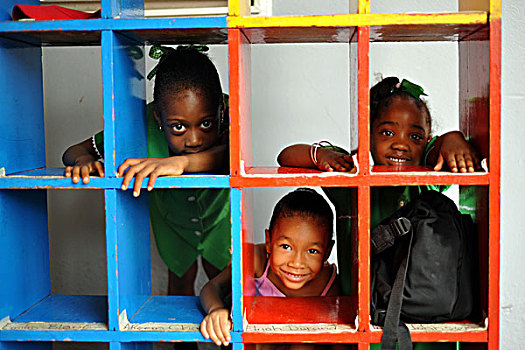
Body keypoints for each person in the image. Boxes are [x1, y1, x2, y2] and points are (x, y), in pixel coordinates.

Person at [278, 77, 481, 350]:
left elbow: (443, 150)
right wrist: (321, 156)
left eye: (415, 136)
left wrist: (452, 138)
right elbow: (286, 156)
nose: (401, 144)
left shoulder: (429, 181)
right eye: (387, 133)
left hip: (423, 323)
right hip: (363, 322)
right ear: (368, 135)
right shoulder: (350, 176)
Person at [62, 45, 231, 296]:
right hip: (171, 221)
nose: (194, 139)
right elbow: (74, 150)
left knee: (224, 287)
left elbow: (228, 155)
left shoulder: (229, 112)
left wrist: (180, 164)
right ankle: (177, 335)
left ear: (221, 111)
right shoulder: (140, 124)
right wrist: (84, 161)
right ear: (159, 118)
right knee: (180, 282)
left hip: (219, 218)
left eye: (206, 124)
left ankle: (223, 336)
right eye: (178, 128)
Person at [199, 188, 341, 347]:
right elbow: (212, 286)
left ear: (327, 252)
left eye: (312, 251)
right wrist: (216, 310)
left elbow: (339, 338)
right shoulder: (256, 259)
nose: (297, 263)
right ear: (269, 241)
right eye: (286, 247)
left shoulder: (327, 283)